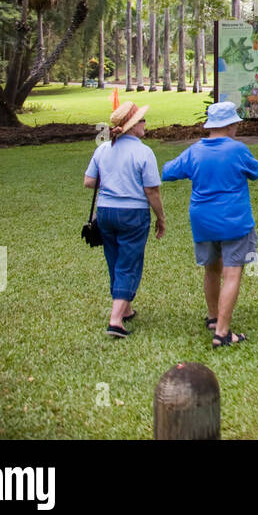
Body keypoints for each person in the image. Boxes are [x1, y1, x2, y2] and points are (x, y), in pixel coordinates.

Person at [161, 101, 258, 347]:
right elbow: (255, 171)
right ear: (229, 125)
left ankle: (213, 317)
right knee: (232, 272)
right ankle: (223, 333)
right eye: (236, 123)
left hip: (203, 221)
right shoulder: (238, 150)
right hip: (234, 221)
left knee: (211, 269)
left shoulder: (194, 151)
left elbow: (167, 171)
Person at [84, 101, 166, 338]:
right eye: (141, 120)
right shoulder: (143, 152)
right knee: (130, 262)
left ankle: (126, 308)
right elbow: (152, 190)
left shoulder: (103, 149)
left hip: (106, 212)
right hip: (133, 213)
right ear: (132, 126)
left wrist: (111, 181)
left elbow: (89, 181)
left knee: (115, 259)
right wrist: (161, 218)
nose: (145, 124)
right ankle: (116, 320)